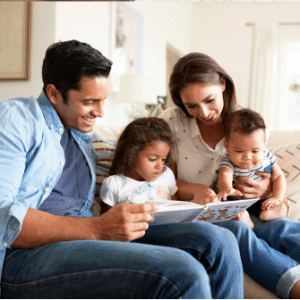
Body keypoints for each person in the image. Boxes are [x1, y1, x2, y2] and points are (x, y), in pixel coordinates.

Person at [0, 40, 244, 299]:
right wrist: (97, 229)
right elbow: (3, 217)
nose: (101, 112)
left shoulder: (81, 136)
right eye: (90, 101)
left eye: (104, 100)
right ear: (53, 93)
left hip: (84, 240)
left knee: (219, 241)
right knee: (183, 272)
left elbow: (144, 153)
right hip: (24, 257)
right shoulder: (16, 119)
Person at [160, 52, 300, 299]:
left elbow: (265, 168)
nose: (203, 112)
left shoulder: (245, 124)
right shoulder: (171, 121)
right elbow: (162, 183)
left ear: (222, 84)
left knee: (281, 228)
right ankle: (295, 286)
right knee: (236, 231)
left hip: (246, 207)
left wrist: (265, 190)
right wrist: (195, 190)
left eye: (209, 100)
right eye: (191, 105)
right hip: (199, 216)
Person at [215, 108, 290, 228]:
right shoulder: (228, 160)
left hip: (259, 200)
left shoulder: (267, 157)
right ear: (227, 146)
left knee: (267, 204)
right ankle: (245, 220)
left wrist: (277, 197)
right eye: (239, 151)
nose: (247, 157)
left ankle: (271, 212)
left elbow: (279, 176)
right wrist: (227, 188)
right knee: (223, 205)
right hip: (235, 200)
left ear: (264, 144)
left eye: (255, 151)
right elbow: (225, 175)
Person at [101, 117, 177, 214]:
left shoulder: (166, 175)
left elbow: (176, 206)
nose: (160, 166)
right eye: (152, 159)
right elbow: (105, 223)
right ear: (131, 154)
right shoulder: (114, 185)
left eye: (163, 159)